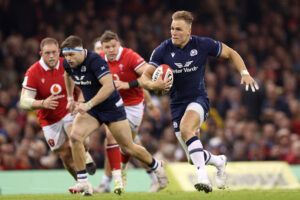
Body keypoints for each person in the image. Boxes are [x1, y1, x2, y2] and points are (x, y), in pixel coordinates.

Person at [140, 11, 259, 193]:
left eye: (178, 29)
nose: (174, 32)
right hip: (177, 105)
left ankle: (202, 177)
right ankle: (219, 161)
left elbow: (231, 53)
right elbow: (144, 78)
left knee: (188, 129)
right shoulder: (162, 50)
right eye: (172, 28)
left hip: (198, 99)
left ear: (189, 30)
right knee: (191, 156)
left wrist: (244, 73)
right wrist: (153, 84)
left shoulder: (203, 44)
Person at [61, 35, 168, 196]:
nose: (68, 59)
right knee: (75, 137)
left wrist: (88, 104)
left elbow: (109, 86)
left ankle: (156, 166)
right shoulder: (68, 64)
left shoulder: (95, 61)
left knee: (128, 147)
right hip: (93, 108)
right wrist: (70, 98)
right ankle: (83, 182)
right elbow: (67, 76)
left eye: (71, 55)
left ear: (81, 51)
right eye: (66, 55)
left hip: (111, 107)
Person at [19, 37, 96, 181]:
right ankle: (82, 183)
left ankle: (85, 156)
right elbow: (23, 101)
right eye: (47, 53)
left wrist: (79, 102)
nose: (51, 56)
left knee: (77, 135)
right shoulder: (33, 72)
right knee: (65, 155)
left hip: (69, 110)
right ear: (40, 53)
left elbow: (83, 87)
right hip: (49, 120)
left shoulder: (68, 64)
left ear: (59, 52)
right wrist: (42, 103)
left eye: (54, 52)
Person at [93, 31, 160, 193]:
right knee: (120, 143)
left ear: (118, 44)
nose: (108, 50)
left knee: (123, 144)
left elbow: (146, 78)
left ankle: (152, 174)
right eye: (104, 48)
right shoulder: (98, 61)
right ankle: (110, 181)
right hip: (113, 107)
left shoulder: (129, 57)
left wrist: (150, 104)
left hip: (132, 107)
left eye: (112, 46)